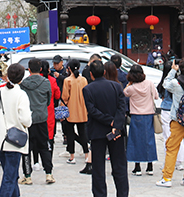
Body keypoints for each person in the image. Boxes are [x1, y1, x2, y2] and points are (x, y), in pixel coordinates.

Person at [82, 59, 128, 197]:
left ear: (91, 74)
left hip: (98, 131)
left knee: (98, 168)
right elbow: (122, 108)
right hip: (116, 131)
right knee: (119, 166)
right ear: (104, 72)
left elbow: (92, 111)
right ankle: (123, 194)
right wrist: (116, 123)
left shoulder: (88, 89)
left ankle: (100, 194)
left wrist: (109, 121)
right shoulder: (116, 86)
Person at [0, 63, 32, 197]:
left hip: (0, 139)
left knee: (11, 174)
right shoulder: (21, 94)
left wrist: (0, 126)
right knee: (10, 177)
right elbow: (26, 119)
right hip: (15, 140)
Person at [156, 58, 184, 188]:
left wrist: (172, 70)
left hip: (178, 120)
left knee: (172, 149)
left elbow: (165, 84)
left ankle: (167, 177)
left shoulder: (176, 83)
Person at [19, 58, 54, 185]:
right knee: (44, 146)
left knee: (27, 149)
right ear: (40, 69)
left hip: (28, 120)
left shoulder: (23, 84)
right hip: (41, 118)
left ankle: (27, 175)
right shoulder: (45, 82)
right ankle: (48, 173)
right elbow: (49, 100)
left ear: (29, 69)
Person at [124, 65, 157, 176]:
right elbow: (156, 96)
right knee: (149, 140)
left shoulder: (131, 88)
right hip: (149, 114)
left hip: (136, 115)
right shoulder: (149, 83)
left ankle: (137, 166)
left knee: (135, 140)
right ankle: (150, 165)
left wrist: (129, 84)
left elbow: (124, 93)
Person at [61, 59, 90, 171]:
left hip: (71, 110)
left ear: (69, 68)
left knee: (70, 134)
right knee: (83, 133)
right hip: (82, 110)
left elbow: (65, 97)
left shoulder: (67, 80)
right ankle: (86, 154)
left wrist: (62, 110)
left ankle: (72, 156)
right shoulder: (84, 80)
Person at [156, 63, 184, 172]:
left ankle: (168, 160)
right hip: (178, 109)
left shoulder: (166, 83)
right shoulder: (180, 83)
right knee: (179, 136)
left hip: (167, 109)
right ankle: (179, 161)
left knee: (167, 137)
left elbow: (161, 93)